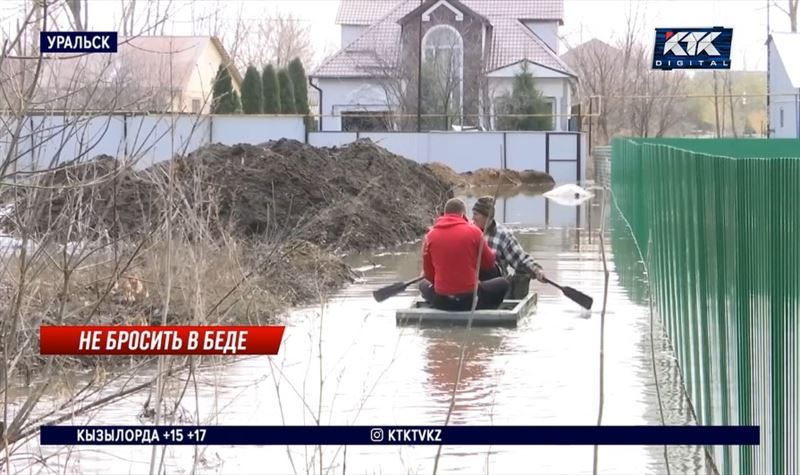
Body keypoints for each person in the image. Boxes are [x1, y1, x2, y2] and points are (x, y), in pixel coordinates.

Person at [419, 198, 510, 311]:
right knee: (503, 283)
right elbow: (489, 264)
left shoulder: (429, 236)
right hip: (469, 301)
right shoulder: (475, 232)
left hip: (442, 302)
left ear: (444, 214)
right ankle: (488, 308)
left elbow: (428, 274)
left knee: (422, 283)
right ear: (463, 215)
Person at [471, 196, 546, 299]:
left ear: (487, 216)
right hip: (471, 284)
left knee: (520, 272)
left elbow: (520, 259)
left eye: (476, 214)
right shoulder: (469, 232)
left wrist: (537, 270)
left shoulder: (503, 235)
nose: (472, 218)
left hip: (495, 286)